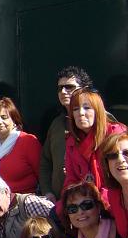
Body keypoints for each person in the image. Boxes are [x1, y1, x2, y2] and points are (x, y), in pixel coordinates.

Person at [39, 66, 92, 202]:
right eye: (60, 88)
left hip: (93, 203)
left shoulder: (101, 121)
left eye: (69, 87)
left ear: (84, 89)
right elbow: (45, 161)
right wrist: (47, 192)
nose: (63, 91)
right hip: (60, 203)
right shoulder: (57, 124)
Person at [64, 88, 125, 203]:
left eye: (87, 108)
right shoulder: (71, 142)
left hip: (114, 200)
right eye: (76, 109)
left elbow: (121, 178)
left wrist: (99, 200)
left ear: (98, 110)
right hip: (84, 203)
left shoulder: (115, 134)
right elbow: (70, 180)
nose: (81, 113)